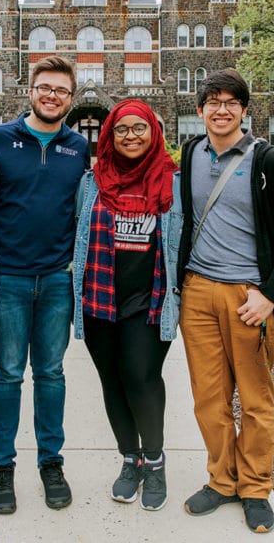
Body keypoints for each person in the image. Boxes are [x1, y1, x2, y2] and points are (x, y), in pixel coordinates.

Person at [177, 69, 274, 533]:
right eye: (212, 101)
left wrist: (270, 296)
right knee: (208, 399)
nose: (221, 109)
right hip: (197, 292)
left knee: (255, 400)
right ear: (200, 111)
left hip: (248, 298)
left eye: (231, 102)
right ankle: (222, 479)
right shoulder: (192, 153)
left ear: (244, 110)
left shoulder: (269, 162)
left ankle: (256, 487)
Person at [0, 55, 90, 513]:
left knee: (51, 373)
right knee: (7, 373)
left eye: (61, 91)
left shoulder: (78, 147)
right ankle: (2, 467)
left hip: (56, 281)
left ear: (71, 98)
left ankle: (51, 462)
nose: (52, 96)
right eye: (44, 88)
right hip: (6, 278)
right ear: (30, 90)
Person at [71, 99, 181, 512]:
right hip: (100, 296)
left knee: (141, 377)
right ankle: (129, 459)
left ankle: (154, 461)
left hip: (149, 300)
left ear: (154, 132)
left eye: (139, 128)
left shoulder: (174, 181)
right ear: (109, 136)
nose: (130, 136)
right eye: (121, 129)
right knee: (112, 381)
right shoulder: (92, 182)